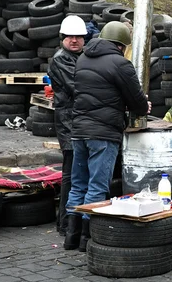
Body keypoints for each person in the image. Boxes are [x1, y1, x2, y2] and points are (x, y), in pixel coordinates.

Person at [64, 21, 151, 251]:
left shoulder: (82, 58)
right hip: (104, 133)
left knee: (78, 184)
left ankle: (70, 236)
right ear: (121, 45)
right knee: (97, 186)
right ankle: (86, 238)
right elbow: (136, 100)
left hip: (79, 131)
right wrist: (145, 107)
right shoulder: (121, 64)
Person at [48, 15, 87, 236]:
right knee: (70, 174)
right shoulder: (61, 59)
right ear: (63, 37)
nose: (75, 40)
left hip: (77, 121)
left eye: (79, 37)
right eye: (71, 36)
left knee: (76, 174)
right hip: (68, 123)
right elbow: (78, 86)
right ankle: (64, 223)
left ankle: (71, 220)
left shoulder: (80, 56)